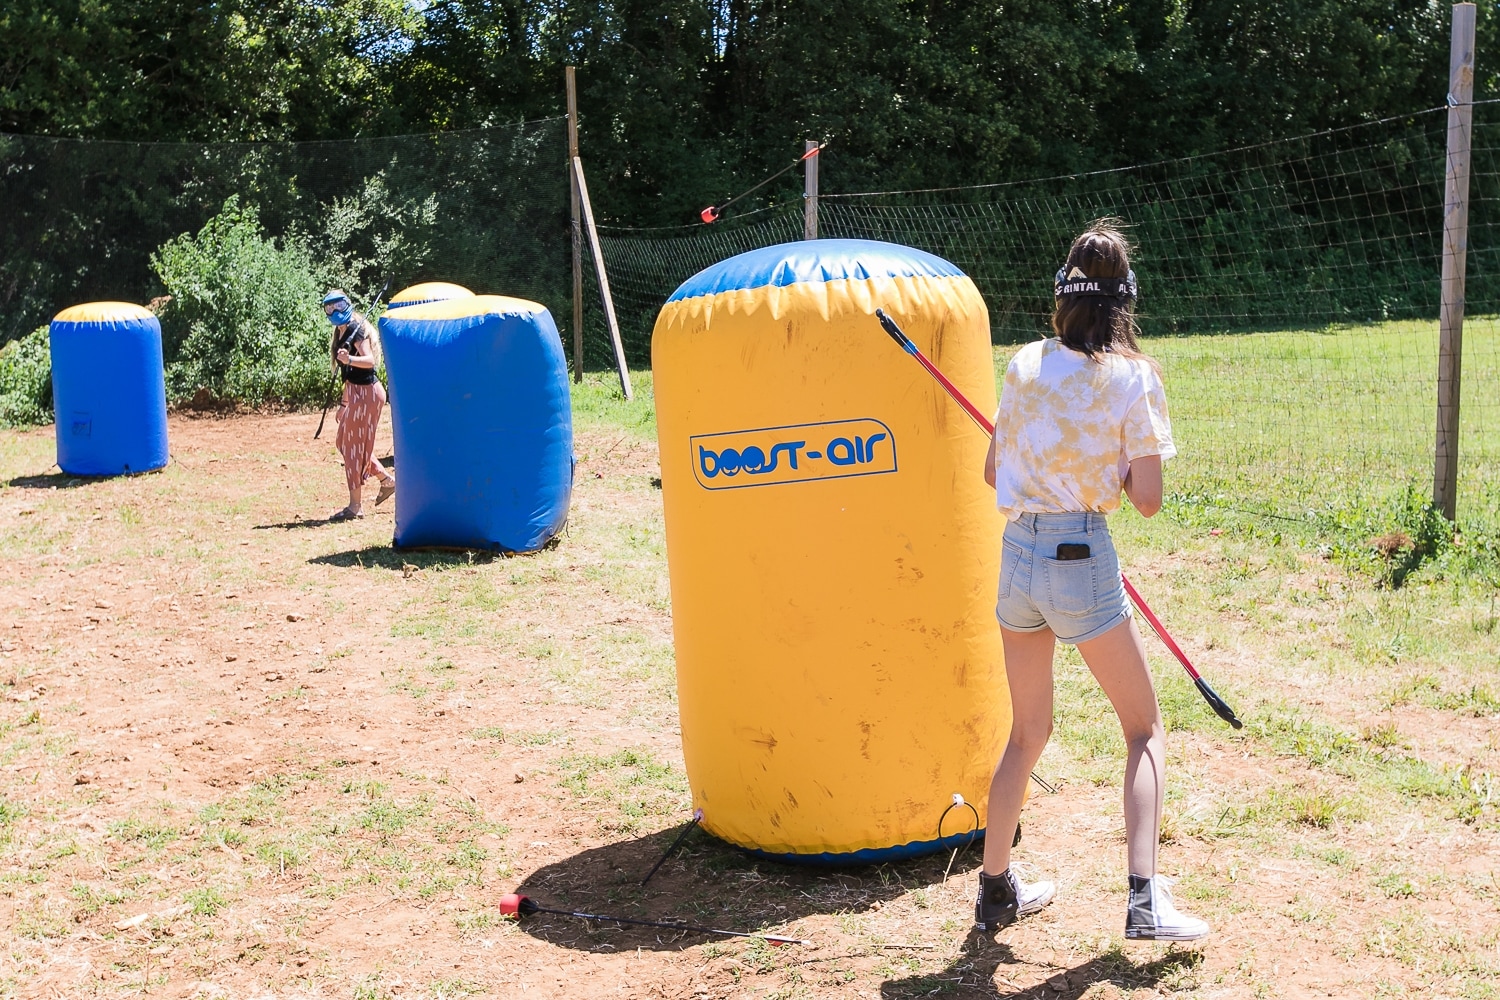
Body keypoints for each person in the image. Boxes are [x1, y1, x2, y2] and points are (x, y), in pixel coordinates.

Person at [975, 221, 1209, 942]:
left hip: (1017, 558)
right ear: (1123, 303)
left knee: (1027, 733)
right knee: (1144, 730)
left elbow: (993, 474)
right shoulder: (1133, 377)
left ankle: (994, 892)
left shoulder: (1021, 364)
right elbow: (1147, 498)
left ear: (1064, 297)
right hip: (1081, 556)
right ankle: (1145, 902)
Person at [324, 289, 395, 521]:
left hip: (367, 394)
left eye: (338, 306)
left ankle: (355, 507)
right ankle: (386, 479)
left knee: (354, 448)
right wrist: (344, 403)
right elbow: (348, 374)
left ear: (347, 305)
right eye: (329, 308)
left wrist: (350, 358)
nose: (334, 312)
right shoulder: (341, 330)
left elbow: (370, 361)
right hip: (355, 393)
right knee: (344, 443)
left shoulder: (358, 328)